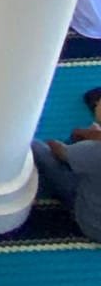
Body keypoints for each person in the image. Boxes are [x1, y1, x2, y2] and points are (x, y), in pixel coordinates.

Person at [31, 86, 101, 240]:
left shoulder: (94, 150)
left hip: (92, 224)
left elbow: (59, 151)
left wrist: (60, 143)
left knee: (35, 146)